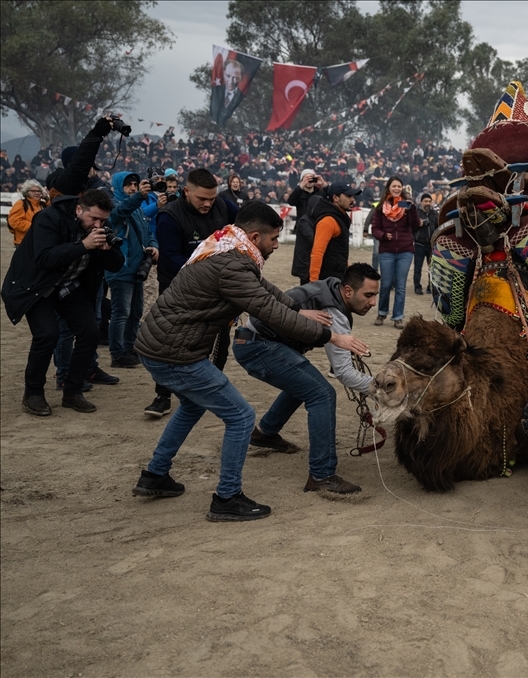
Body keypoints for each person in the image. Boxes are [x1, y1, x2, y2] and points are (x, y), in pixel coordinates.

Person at [130, 201, 369, 521]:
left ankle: (155, 475)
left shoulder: (229, 249)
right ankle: (227, 498)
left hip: (164, 345)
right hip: (175, 353)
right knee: (241, 416)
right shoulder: (234, 265)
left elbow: (268, 293)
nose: (275, 245)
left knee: (192, 405)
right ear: (255, 237)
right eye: (274, 239)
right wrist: (331, 337)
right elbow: (267, 309)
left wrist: (299, 310)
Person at [232, 263, 379, 495]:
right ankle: (322, 475)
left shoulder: (331, 288)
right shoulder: (334, 310)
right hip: (256, 345)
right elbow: (344, 372)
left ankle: (265, 433)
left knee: (305, 383)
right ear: (348, 291)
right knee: (321, 393)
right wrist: (381, 389)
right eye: (369, 295)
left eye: (375, 296)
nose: (373, 303)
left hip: (252, 340)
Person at [1, 190, 125, 415]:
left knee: (90, 331)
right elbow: (45, 258)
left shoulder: (96, 230)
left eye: (103, 220)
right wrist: (84, 245)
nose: (97, 224)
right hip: (37, 286)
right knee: (47, 335)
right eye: (93, 218)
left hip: (68, 286)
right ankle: (33, 393)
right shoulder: (50, 218)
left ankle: (73, 392)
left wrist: (107, 250)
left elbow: (116, 265)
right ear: (79, 210)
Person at [146, 167, 239, 417]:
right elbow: (172, 258)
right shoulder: (169, 216)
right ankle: (162, 396)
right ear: (186, 191)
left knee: (219, 341)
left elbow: (241, 230)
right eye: (202, 199)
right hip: (179, 288)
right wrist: (208, 272)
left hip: (218, 290)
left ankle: (210, 390)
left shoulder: (225, 207)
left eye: (212, 198)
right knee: (173, 343)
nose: (209, 203)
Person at [106, 172, 159, 368]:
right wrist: (140, 197)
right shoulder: (113, 205)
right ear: (119, 186)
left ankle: (130, 348)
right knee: (121, 313)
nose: (133, 187)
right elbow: (120, 213)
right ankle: (117, 354)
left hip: (137, 268)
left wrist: (154, 246)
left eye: (135, 184)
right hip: (121, 269)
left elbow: (148, 231)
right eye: (129, 184)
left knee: (135, 313)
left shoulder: (137, 209)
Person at [371, 176, 419, 328]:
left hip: (405, 251)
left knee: (400, 285)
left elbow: (415, 225)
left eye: (399, 186)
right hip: (387, 251)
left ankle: (398, 316)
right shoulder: (380, 207)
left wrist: (412, 210)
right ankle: (382, 312)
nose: (397, 189)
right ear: (389, 187)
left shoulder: (406, 206)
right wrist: (383, 236)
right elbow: (375, 229)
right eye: (394, 186)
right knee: (385, 284)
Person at [300, 182, 361, 285]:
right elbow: (317, 253)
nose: (352, 200)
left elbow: (337, 251)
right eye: (348, 196)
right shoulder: (328, 220)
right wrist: (314, 284)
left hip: (334, 278)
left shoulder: (339, 217)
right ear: (336, 198)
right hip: (326, 281)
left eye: (352, 196)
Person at [412, 192, 438, 295]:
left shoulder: (435, 214)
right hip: (419, 244)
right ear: (421, 202)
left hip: (431, 245)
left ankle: (430, 286)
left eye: (429, 201)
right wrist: (419, 223)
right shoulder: (416, 213)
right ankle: (417, 286)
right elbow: (412, 227)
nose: (427, 203)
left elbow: (438, 227)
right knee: (417, 268)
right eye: (425, 201)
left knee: (432, 268)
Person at [8, 179, 45, 246]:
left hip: (39, 242)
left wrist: (47, 198)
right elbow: (15, 221)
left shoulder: (43, 205)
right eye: (33, 191)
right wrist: (36, 227)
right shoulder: (21, 204)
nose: (37, 193)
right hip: (23, 242)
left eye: (39, 191)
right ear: (27, 192)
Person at [211, 58, 244, 126]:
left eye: (236, 78)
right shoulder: (216, 91)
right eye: (228, 76)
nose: (230, 81)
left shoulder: (242, 96)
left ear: (241, 78)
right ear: (223, 73)